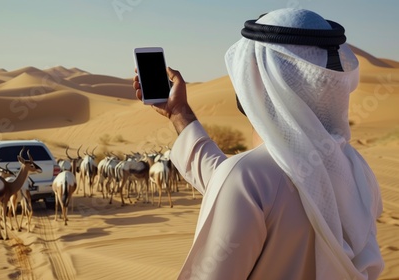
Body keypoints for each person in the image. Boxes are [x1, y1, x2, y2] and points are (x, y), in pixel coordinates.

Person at [132, 8, 384, 280]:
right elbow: (250, 184)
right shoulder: (355, 169)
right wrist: (179, 113)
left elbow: (245, 186)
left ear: (256, 79)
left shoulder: (248, 179)